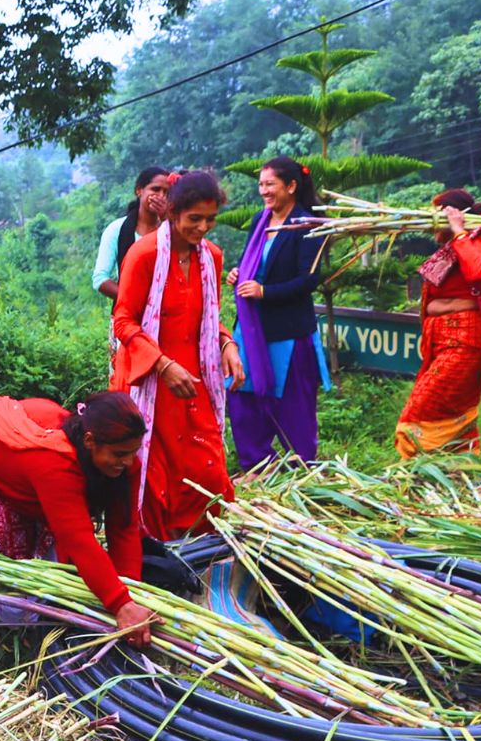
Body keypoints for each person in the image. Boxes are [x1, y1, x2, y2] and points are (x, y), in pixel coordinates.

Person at [0, 392, 156, 646]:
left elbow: (124, 529)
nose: (129, 461)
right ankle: (21, 629)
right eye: (120, 454)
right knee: (18, 601)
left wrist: (132, 594)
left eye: (134, 452)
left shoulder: (123, 459)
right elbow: (78, 539)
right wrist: (120, 604)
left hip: (30, 471)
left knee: (56, 551)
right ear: (89, 441)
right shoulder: (55, 461)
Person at [111, 171, 244, 540]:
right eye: (194, 219)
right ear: (173, 213)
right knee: (154, 472)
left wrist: (226, 345)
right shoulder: (144, 254)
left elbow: (210, 318)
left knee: (207, 469)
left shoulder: (211, 258)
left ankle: (204, 545)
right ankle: (157, 550)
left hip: (195, 381)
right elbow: (123, 321)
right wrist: (162, 364)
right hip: (149, 382)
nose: (202, 228)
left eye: (210, 219)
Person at [395, 190, 481, 458]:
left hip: (465, 345)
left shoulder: (472, 240)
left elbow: (480, 270)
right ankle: (463, 474)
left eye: (439, 215)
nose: (433, 223)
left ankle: (416, 470)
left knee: (420, 412)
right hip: (445, 345)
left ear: (454, 215)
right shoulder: (450, 249)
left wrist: (458, 230)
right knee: (455, 412)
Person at [225, 157, 331, 468]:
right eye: (261, 184)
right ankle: (258, 465)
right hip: (251, 326)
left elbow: (308, 279)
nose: (263, 191)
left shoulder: (308, 225)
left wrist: (265, 291)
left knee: (293, 402)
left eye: (269, 184)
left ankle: (301, 467)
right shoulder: (260, 220)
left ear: (291, 186)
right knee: (241, 395)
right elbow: (252, 266)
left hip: (287, 331)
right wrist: (237, 275)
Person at [92, 167, 171, 302]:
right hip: (129, 314)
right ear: (139, 191)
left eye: (167, 193)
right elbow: (100, 279)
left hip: (169, 314)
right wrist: (135, 300)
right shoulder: (117, 229)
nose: (161, 196)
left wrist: (167, 220)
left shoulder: (172, 232)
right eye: (155, 189)